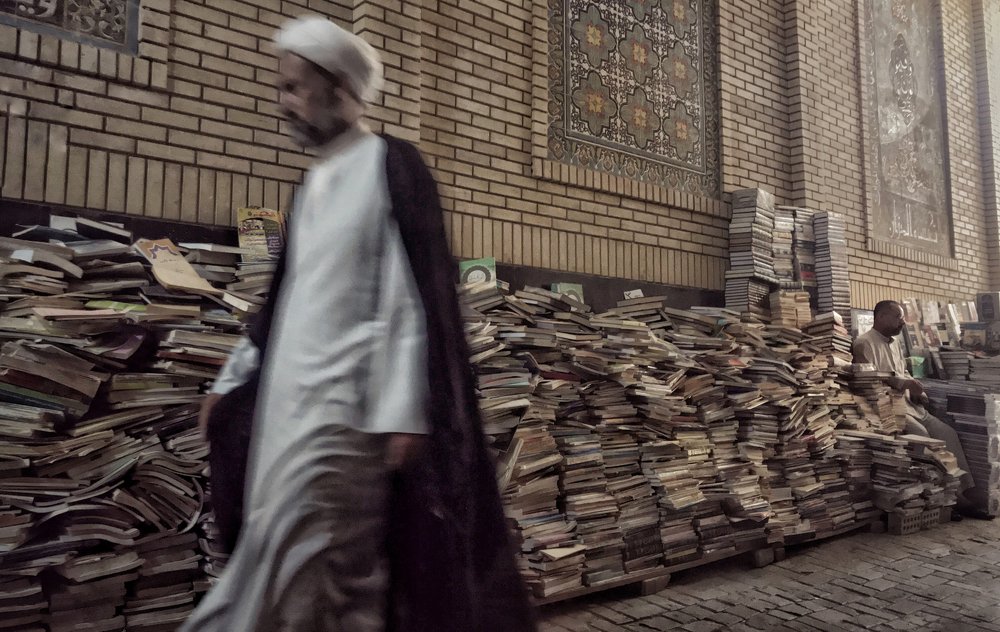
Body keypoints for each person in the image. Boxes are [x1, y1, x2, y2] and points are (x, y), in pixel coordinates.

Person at [181, 16, 536, 632]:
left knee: (313, 566)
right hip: (286, 415)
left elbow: (409, 303)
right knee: (301, 571)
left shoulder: (391, 166)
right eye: (282, 88)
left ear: (340, 89)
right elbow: (282, 301)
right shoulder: (314, 183)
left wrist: (405, 413)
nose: (284, 103)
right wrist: (230, 381)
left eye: (295, 88)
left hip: (347, 418)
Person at [853, 300, 991, 520]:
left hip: (911, 405)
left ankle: (963, 490)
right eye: (898, 317)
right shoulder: (864, 343)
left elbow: (903, 372)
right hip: (889, 410)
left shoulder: (895, 343)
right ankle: (947, 500)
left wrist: (916, 389)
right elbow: (869, 380)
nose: (903, 322)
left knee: (948, 434)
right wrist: (904, 384)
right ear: (880, 317)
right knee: (923, 439)